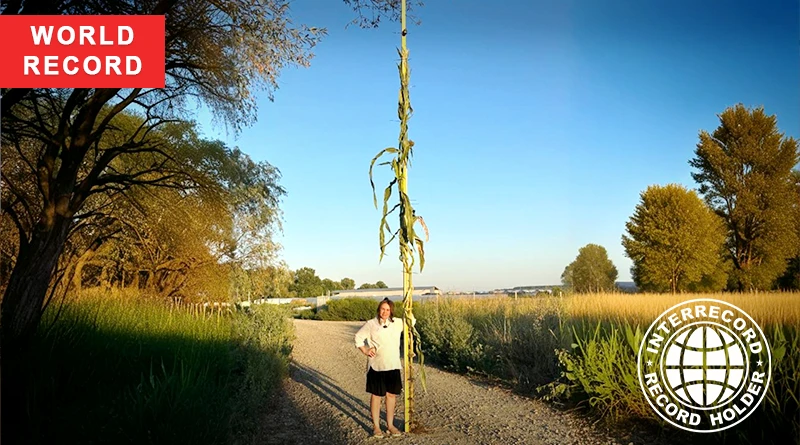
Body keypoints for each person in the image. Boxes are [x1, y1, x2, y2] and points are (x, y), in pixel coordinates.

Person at [354, 298, 415, 438]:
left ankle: (390, 425)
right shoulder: (371, 324)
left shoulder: (398, 323)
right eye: (383, 309)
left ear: (391, 311)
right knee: (376, 396)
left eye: (388, 309)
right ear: (378, 309)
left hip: (393, 365)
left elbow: (412, 322)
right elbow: (358, 337)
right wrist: (365, 350)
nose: (385, 312)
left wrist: (408, 306)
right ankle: (376, 426)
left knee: (391, 395)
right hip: (376, 366)